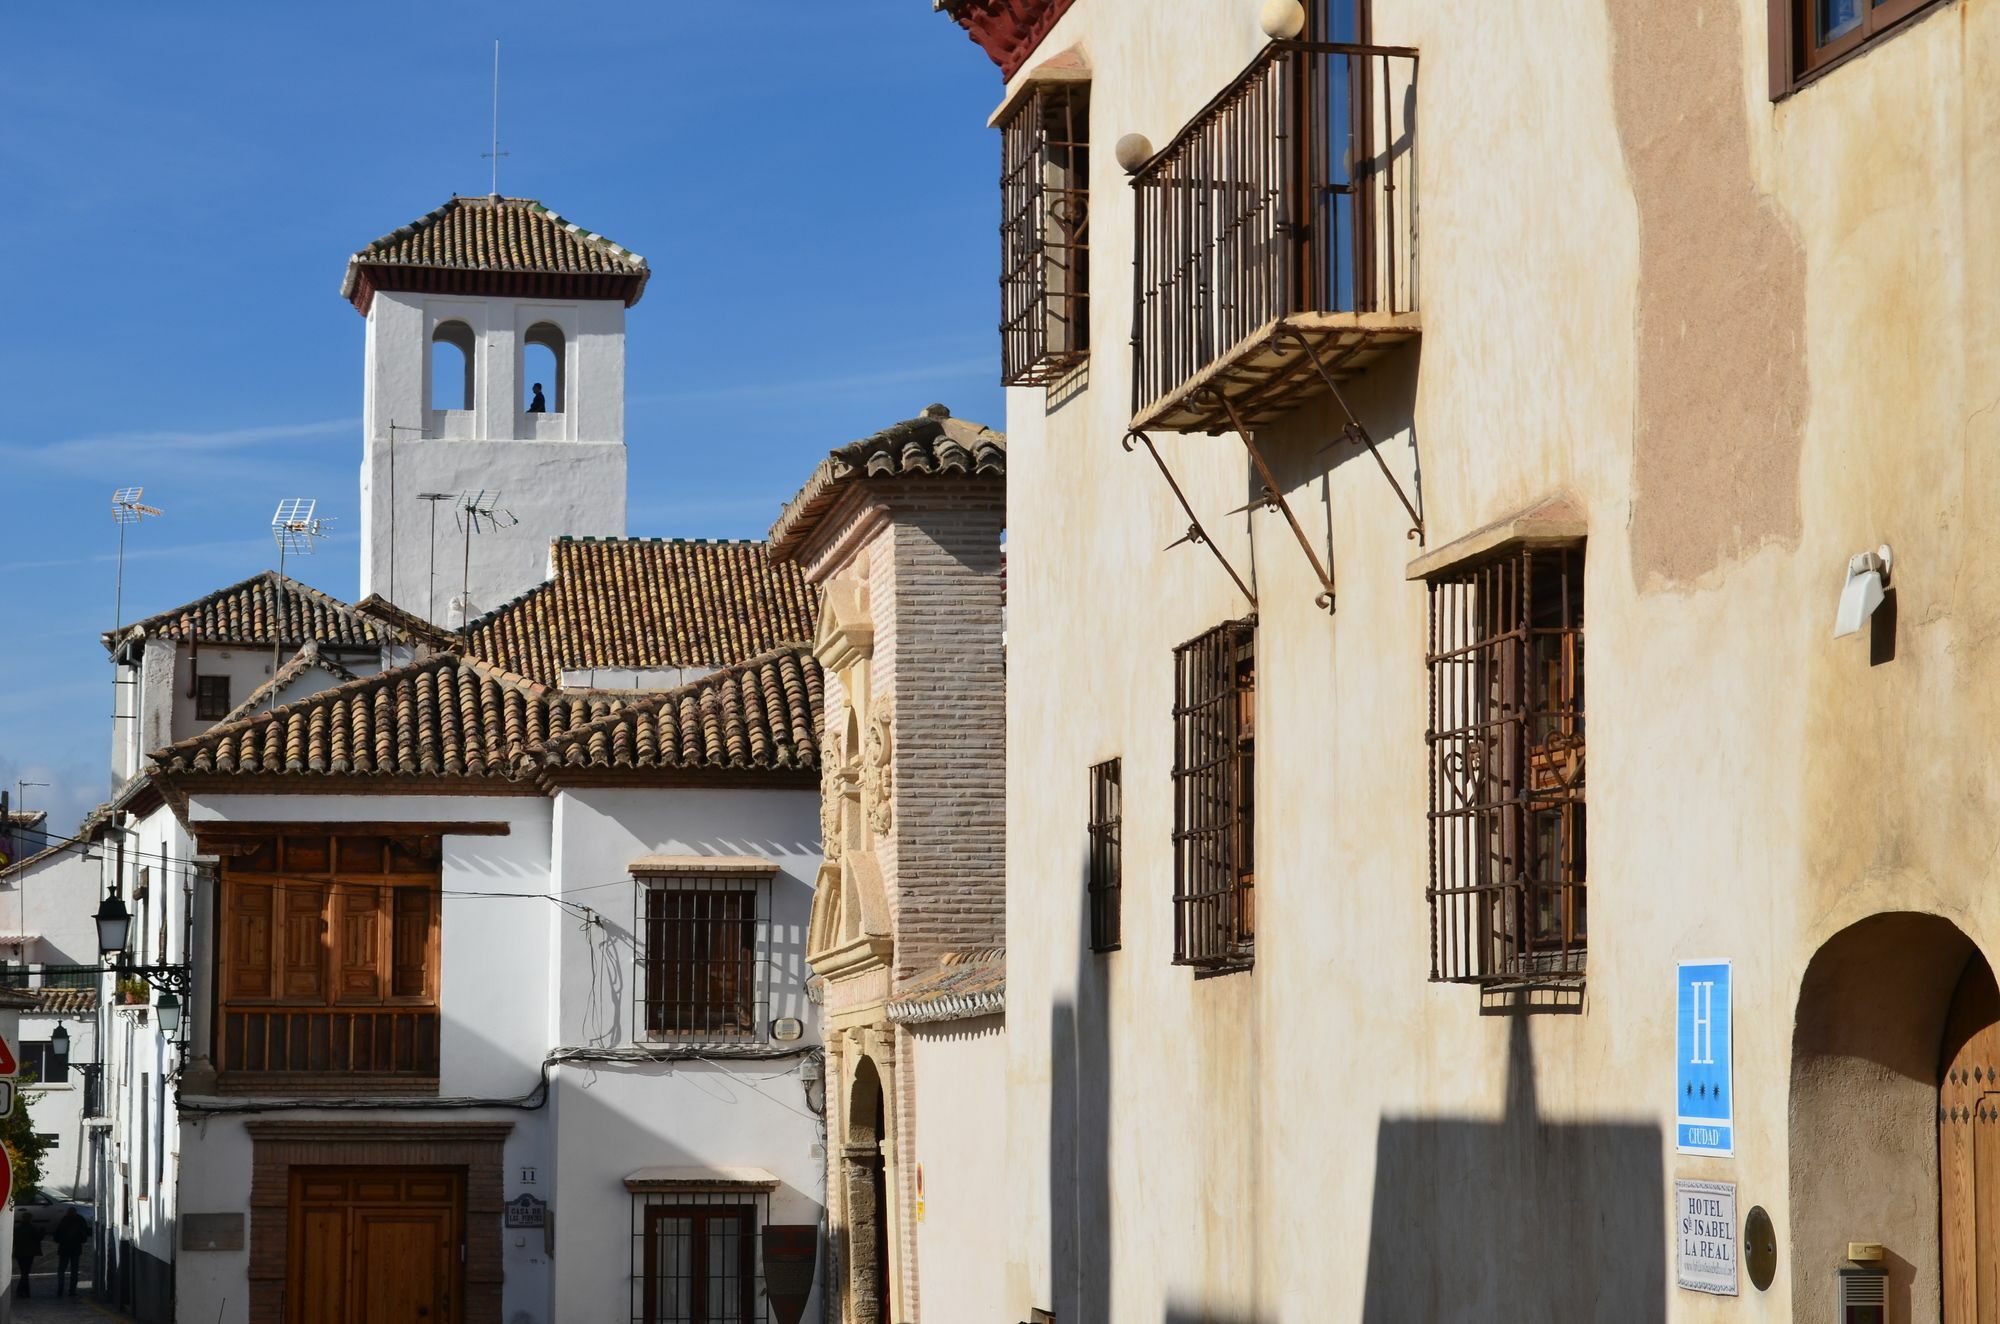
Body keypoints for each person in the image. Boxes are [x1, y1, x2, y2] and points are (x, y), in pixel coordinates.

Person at [53, 1207, 89, 1296]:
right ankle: (72, 1290)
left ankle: (60, 1289)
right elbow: (84, 1236)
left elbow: (57, 1236)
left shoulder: (64, 1220)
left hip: (64, 1248)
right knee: (74, 1270)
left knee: (61, 1269)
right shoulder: (80, 1220)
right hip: (75, 1248)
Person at [12, 1214, 43, 1297]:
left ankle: (24, 1291)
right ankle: (22, 1291)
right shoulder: (32, 1228)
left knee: (24, 1272)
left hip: (20, 1253)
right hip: (29, 1253)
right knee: (25, 1272)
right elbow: (38, 1237)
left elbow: (14, 1240)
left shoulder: (18, 1228)